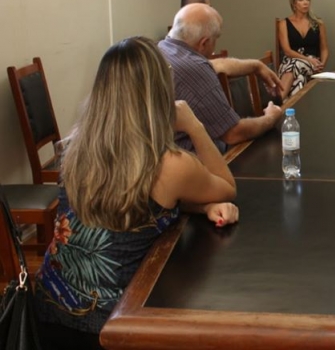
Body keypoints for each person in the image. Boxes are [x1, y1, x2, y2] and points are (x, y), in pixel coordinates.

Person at [33, 36, 240, 350]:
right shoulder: (169, 164)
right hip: (113, 322)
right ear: (159, 90)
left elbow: (127, 205)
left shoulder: (75, 146)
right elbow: (227, 185)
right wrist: (194, 125)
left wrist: (197, 207)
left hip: (49, 303)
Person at [160, 3, 283, 152]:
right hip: (194, 163)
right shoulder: (195, 68)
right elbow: (233, 133)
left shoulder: (163, 49)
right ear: (204, 43)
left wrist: (255, 65)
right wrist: (270, 118)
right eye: (215, 40)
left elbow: (215, 65)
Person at [277, 0, 329, 98]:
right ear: (294, 3)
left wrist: (322, 64)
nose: (305, 3)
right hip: (290, 62)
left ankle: (278, 102)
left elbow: (324, 48)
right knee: (298, 76)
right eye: (301, 0)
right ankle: (292, 108)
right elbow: (287, 51)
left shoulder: (318, 23)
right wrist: (306, 59)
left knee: (294, 68)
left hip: (312, 64)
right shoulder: (284, 23)